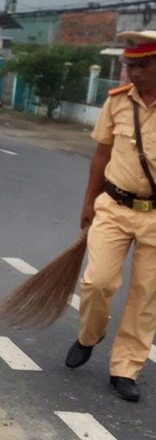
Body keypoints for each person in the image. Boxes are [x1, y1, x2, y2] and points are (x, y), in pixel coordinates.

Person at [65, 30, 156, 403]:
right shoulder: (117, 103)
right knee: (97, 282)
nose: (132, 73)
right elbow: (100, 156)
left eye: (142, 66)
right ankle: (90, 335)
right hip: (114, 206)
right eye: (129, 66)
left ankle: (125, 369)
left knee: (145, 296)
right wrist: (88, 203)